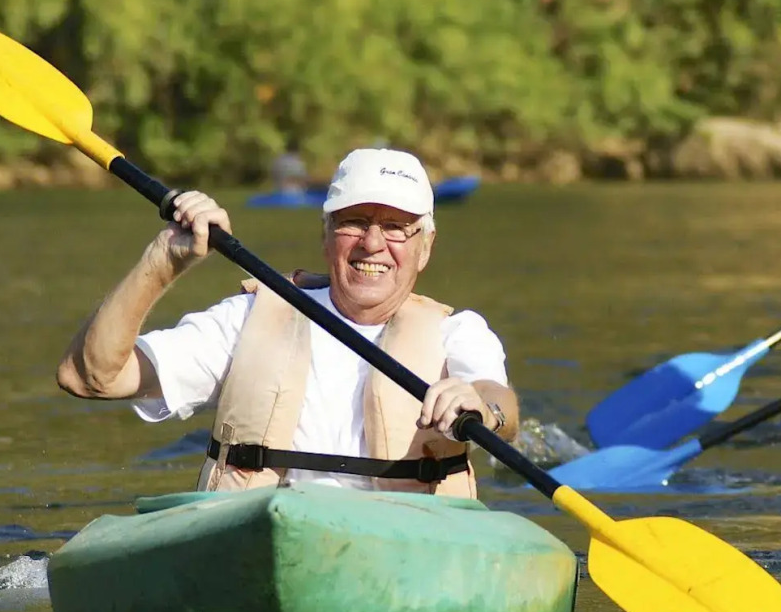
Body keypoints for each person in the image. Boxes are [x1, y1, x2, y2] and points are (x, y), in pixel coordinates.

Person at [56, 148, 518, 496]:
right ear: (325, 235)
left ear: (426, 246)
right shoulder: (249, 318)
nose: (373, 243)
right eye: (354, 222)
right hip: (257, 545)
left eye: (397, 227)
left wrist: (481, 407)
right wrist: (161, 262)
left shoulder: (457, 333)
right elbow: (90, 376)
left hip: (403, 551)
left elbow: (503, 409)